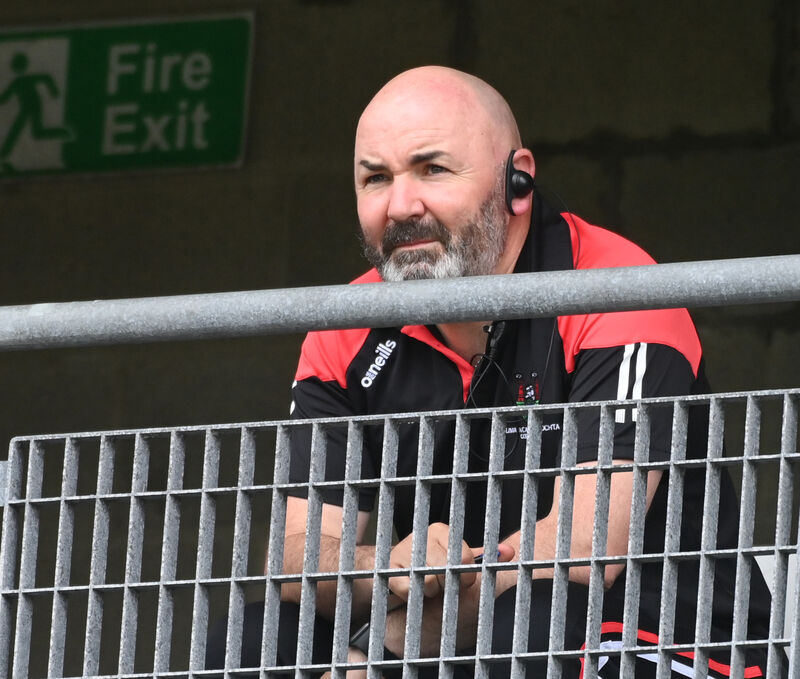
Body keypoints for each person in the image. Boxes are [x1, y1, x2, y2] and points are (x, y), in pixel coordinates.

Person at [207, 66, 778, 678]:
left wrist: (379, 648)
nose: (401, 206)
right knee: (250, 637)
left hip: (662, 640)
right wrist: (387, 568)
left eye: (433, 169)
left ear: (519, 182)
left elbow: (584, 552)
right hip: (459, 637)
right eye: (376, 179)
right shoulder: (346, 326)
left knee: (534, 621)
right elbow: (296, 554)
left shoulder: (616, 286)